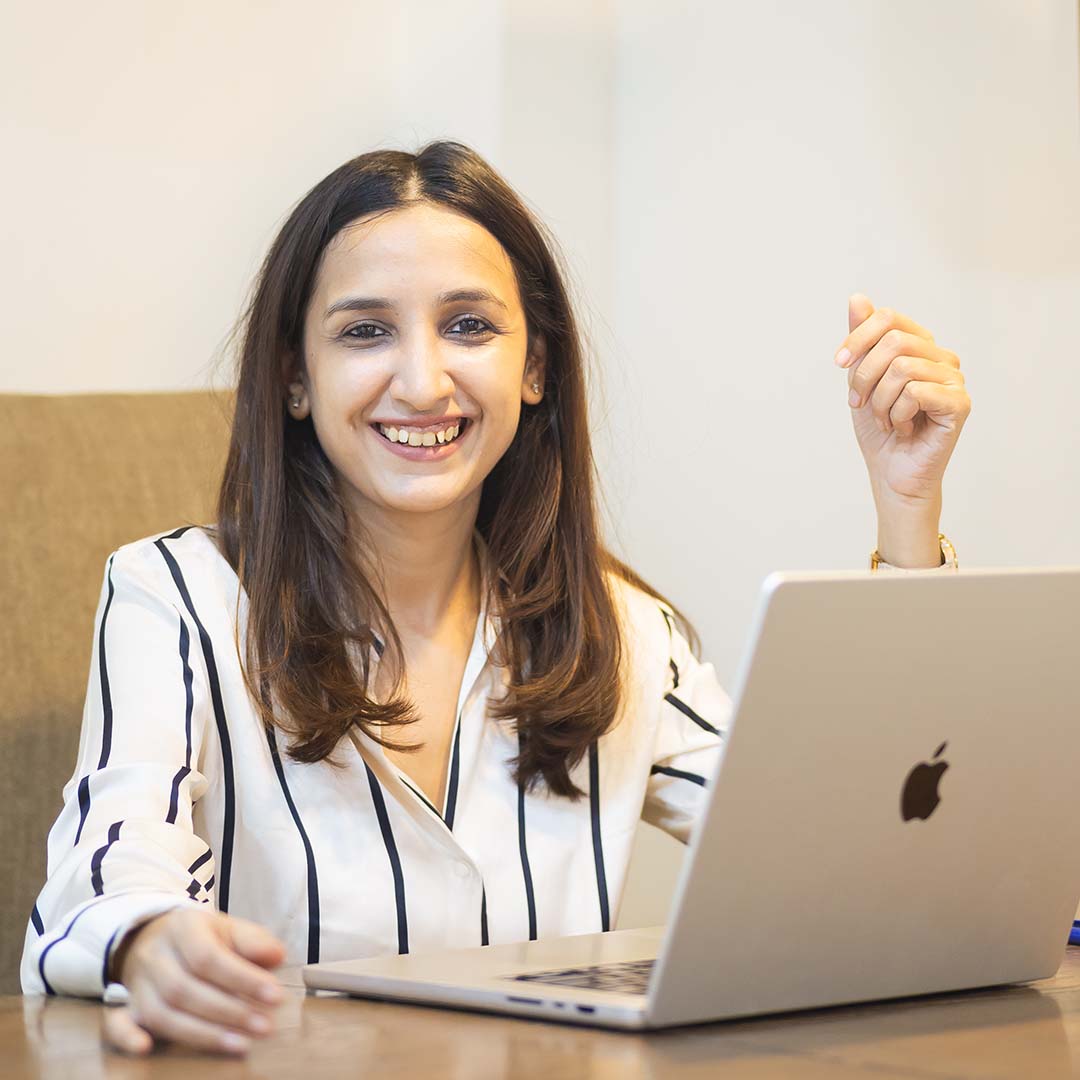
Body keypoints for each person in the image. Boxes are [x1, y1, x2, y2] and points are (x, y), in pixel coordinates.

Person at [20, 141, 971, 1056]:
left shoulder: (624, 632)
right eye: (364, 331)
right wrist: (150, 943)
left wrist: (907, 508)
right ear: (294, 377)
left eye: (469, 326)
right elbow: (109, 867)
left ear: (536, 367)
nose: (423, 381)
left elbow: (855, 855)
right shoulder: (174, 596)